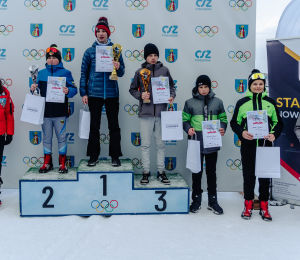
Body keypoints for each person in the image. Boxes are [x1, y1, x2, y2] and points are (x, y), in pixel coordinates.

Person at [230, 69, 284, 221]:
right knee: (248, 176)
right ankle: (248, 205)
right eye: (255, 84)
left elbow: (278, 123)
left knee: (265, 177)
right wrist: (242, 132)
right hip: (248, 145)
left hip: (266, 146)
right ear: (250, 86)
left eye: (261, 84)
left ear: (264, 85)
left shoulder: (270, 102)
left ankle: (264, 207)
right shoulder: (242, 103)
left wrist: (274, 134)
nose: (258, 86)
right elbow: (234, 122)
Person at [80, 17, 125, 167]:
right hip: (94, 94)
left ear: (108, 33)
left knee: (114, 126)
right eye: (98, 31)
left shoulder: (116, 50)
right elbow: (83, 74)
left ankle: (115, 156)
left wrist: (118, 67)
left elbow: (122, 72)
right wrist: (84, 93)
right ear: (95, 33)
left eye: (103, 31)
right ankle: (93, 156)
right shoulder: (89, 51)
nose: (101, 33)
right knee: (94, 126)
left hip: (112, 93)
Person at [129, 43, 176, 185]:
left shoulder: (165, 70)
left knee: (161, 144)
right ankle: (146, 172)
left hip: (162, 114)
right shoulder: (140, 72)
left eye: (155, 55)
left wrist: (172, 96)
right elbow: (132, 89)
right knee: (145, 144)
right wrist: (140, 95)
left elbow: (172, 87)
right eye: (150, 55)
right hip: (146, 113)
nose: (153, 58)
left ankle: (161, 172)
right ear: (146, 57)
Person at [183, 75, 227, 215]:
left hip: (212, 141)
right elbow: (185, 120)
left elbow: (223, 119)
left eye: (206, 87)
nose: (203, 90)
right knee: (197, 171)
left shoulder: (218, 102)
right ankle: (196, 200)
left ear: (210, 87)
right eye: (201, 87)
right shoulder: (189, 102)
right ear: (197, 88)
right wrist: (188, 128)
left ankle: (213, 201)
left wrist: (223, 128)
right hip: (196, 140)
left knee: (211, 172)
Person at [31, 44, 77, 173]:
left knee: (61, 137)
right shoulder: (40, 73)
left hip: (60, 112)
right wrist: (33, 88)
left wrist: (68, 90)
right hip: (45, 113)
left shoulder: (66, 73)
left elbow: (74, 90)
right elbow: (37, 91)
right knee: (46, 138)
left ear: (59, 59)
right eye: (49, 57)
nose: (51, 60)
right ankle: (47, 163)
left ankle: (63, 164)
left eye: (54, 57)